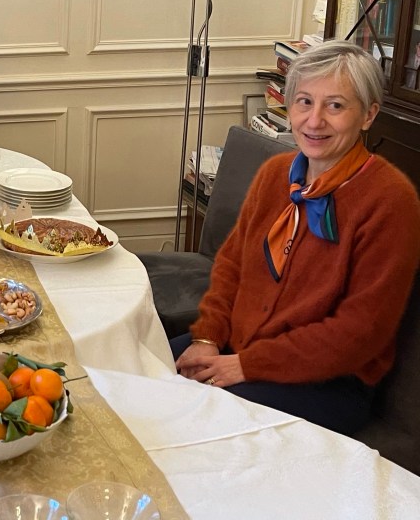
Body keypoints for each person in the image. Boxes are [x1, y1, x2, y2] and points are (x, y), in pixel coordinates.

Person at [172, 40, 420, 435]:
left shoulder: (391, 200)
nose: (314, 121)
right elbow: (232, 266)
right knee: (135, 372)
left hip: (325, 381)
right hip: (239, 344)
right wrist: (207, 337)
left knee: (191, 420)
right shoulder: (275, 173)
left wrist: (246, 365)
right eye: (304, 101)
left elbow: (360, 331)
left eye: (335, 106)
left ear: (368, 115)